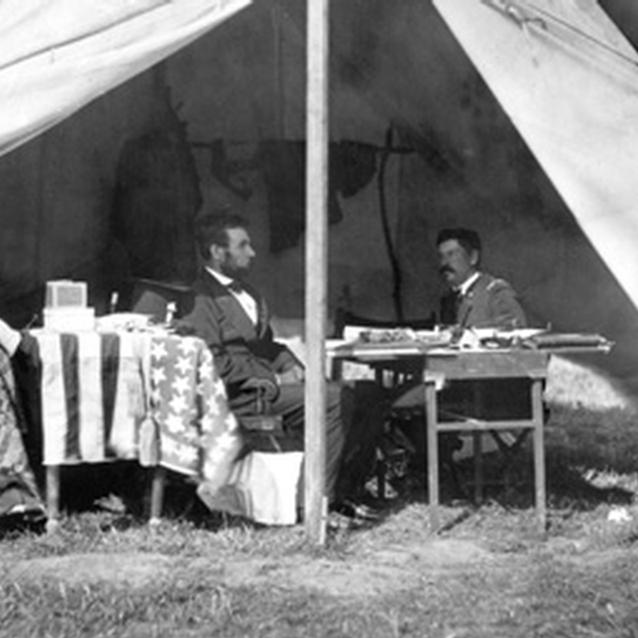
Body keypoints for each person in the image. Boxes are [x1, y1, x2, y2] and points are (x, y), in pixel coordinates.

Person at [180, 212, 383, 513]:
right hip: (238, 395)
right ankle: (313, 505)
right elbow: (212, 363)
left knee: (368, 396)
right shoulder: (198, 299)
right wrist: (274, 379)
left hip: (266, 388)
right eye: (243, 245)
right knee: (333, 400)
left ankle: (345, 492)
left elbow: (267, 346)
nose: (253, 253)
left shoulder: (250, 293)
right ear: (216, 252)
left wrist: (290, 363)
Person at [436, 227, 527, 329]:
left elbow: (514, 326)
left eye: (451, 254)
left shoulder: (495, 292)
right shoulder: (448, 300)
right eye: (441, 256)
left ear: (473, 257)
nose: (444, 263)